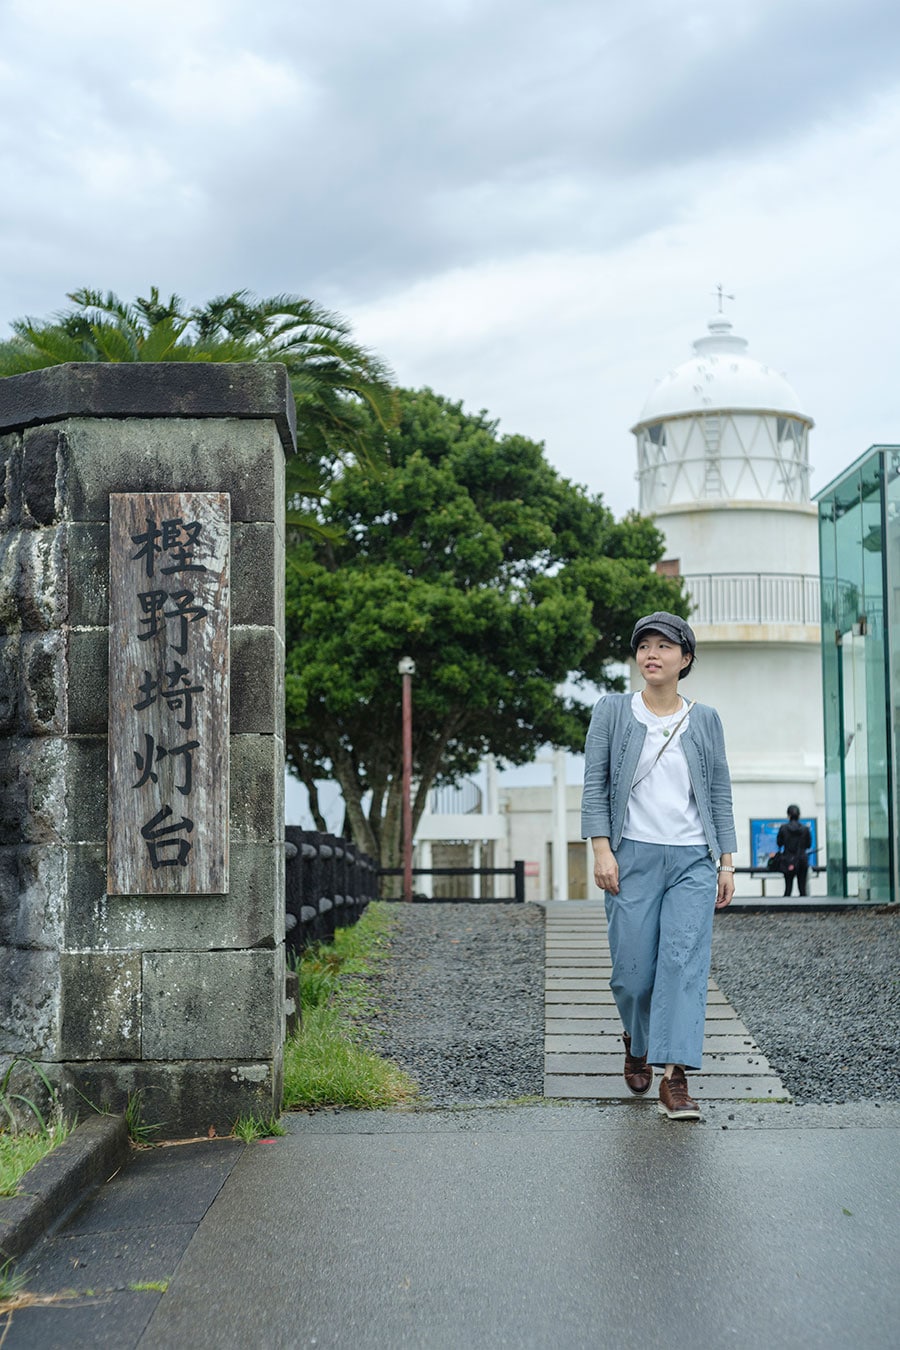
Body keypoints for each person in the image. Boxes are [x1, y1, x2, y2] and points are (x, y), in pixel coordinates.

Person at [581, 611, 737, 1122]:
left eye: (665, 646)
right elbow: (595, 786)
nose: (652, 653)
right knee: (631, 976)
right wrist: (602, 849)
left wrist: (727, 862)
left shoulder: (706, 718)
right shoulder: (611, 711)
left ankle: (676, 1078)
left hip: (693, 858)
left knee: (682, 965)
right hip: (631, 856)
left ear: (685, 658)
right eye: (644, 645)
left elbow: (718, 792)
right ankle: (637, 1039)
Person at [776, 805, 812, 897]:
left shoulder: (783, 828)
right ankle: (804, 910)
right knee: (802, 889)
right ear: (799, 815)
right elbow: (808, 845)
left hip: (788, 861)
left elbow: (779, 843)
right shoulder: (805, 829)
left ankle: (784, 910)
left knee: (788, 889)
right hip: (802, 860)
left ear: (788, 815)